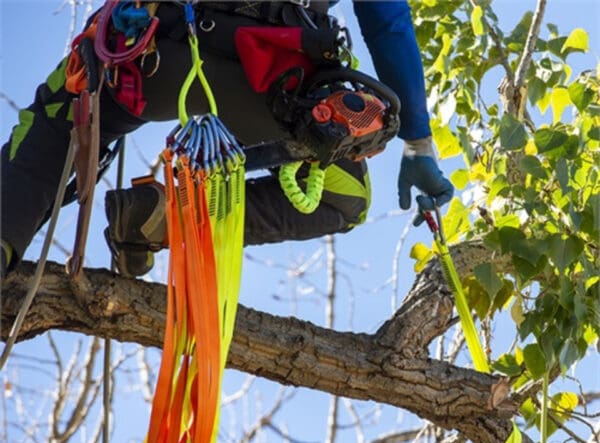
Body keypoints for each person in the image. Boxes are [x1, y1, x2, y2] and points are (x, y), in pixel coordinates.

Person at [0, 1, 453, 278]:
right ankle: (159, 220)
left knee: (57, 124)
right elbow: (387, 22)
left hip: (151, 45)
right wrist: (417, 143)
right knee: (343, 196)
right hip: (277, 77)